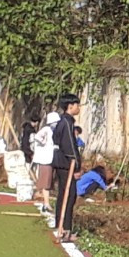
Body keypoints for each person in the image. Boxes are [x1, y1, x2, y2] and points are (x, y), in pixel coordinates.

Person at [51, 94, 83, 243]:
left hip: (62, 163)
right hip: (66, 164)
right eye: (77, 105)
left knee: (64, 194)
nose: (79, 108)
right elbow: (69, 145)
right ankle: (64, 229)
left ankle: (62, 227)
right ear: (70, 106)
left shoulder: (64, 121)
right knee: (68, 196)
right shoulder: (66, 122)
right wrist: (76, 165)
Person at [31, 111, 60, 212]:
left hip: (50, 159)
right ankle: (46, 202)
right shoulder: (46, 130)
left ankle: (46, 202)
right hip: (45, 160)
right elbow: (37, 137)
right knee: (45, 182)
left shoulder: (53, 131)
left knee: (48, 182)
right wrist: (44, 143)